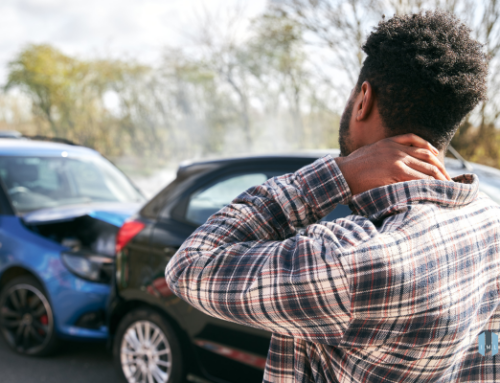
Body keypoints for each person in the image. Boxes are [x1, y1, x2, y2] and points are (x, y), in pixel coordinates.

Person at [165, 11, 497, 383]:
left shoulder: (349, 260)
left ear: (363, 100)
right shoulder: (491, 221)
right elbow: (490, 346)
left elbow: (190, 266)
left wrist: (338, 173)